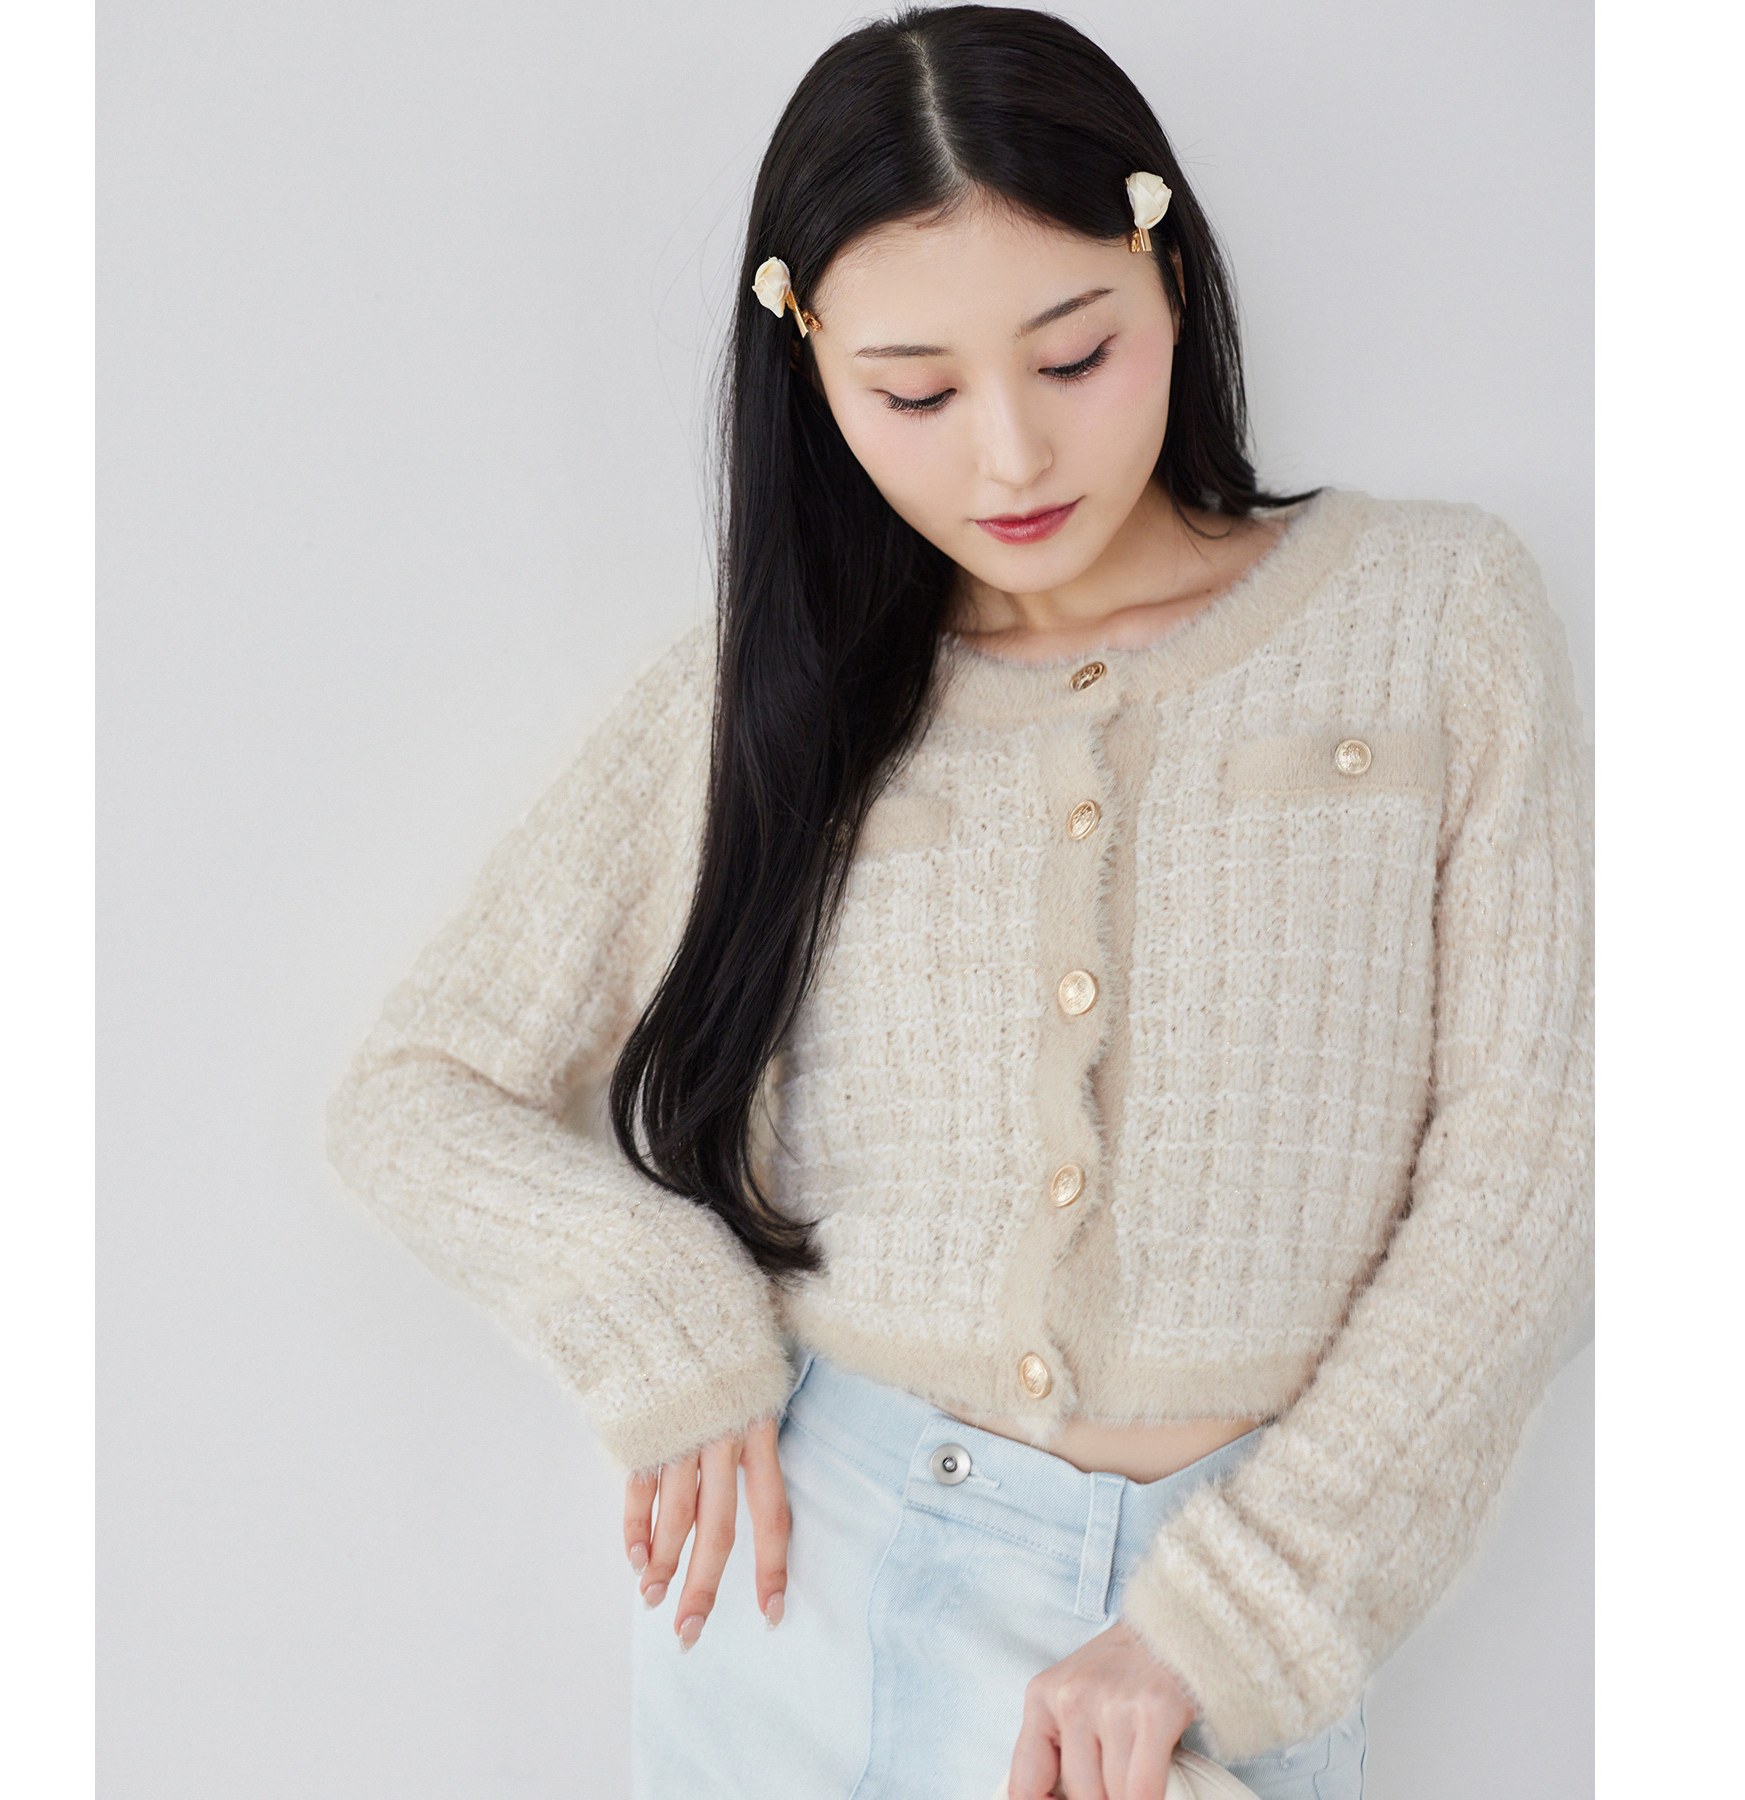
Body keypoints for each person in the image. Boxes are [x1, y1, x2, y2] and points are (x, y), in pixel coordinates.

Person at [325, 7, 1592, 1798]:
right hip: (804, 1588)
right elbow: (416, 1090)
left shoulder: (1436, 615)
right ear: (812, 371)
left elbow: (1543, 1162)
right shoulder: (768, 697)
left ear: (1168, 280)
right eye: (913, 394)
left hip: (1201, 1646)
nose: (1010, 457)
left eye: (1074, 355)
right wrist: (663, 1315)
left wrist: (1241, 1610)